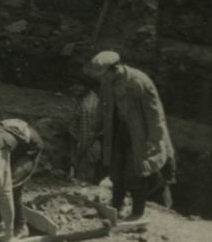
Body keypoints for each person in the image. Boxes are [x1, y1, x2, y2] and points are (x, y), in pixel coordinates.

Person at [88, 50, 176, 222]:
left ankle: (137, 211)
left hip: (140, 134)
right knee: (115, 170)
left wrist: (154, 140)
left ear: (116, 69)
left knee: (135, 172)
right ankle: (116, 206)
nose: (103, 80)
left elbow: (155, 115)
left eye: (105, 76)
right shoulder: (107, 83)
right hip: (119, 130)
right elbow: (102, 108)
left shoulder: (140, 83)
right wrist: (94, 129)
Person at [67, 80, 103, 184]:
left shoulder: (91, 103)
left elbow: (89, 129)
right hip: (83, 139)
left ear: (84, 86)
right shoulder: (84, 100)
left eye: (77, 85)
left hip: (88, 141)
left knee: (86, 165)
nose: (73, 89)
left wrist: (81, 145)